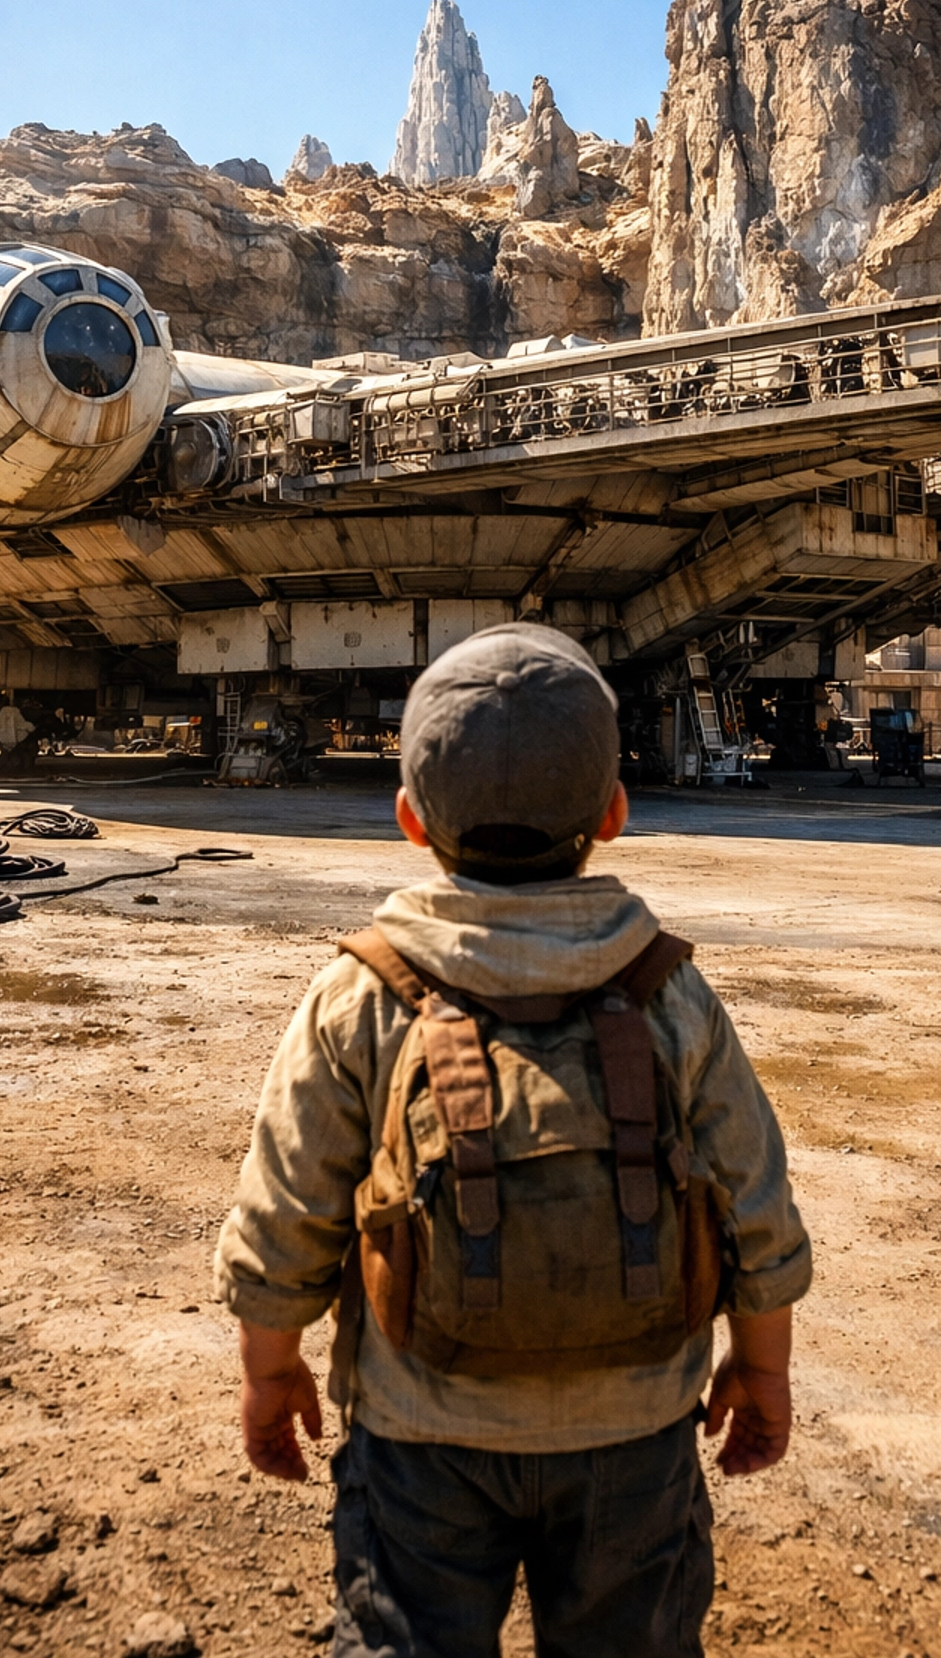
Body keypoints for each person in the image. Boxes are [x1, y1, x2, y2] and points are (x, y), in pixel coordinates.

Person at [213, 623, 812, 1658]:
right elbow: (753, 1198)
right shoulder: (667, 986)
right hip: (636, 1429)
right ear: (614, 814)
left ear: (408, 818)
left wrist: (271, 1370)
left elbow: (287, 1211)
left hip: (418, 1427)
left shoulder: (360, 990)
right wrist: (763, 1369)